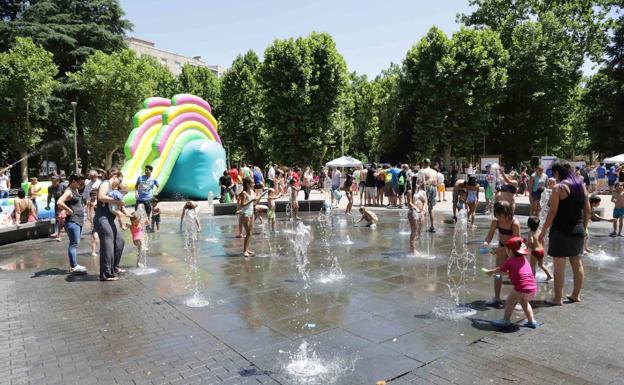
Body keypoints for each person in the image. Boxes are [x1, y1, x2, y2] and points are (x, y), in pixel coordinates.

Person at [539, 161, 590, 305]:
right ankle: (575, 295)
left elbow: (552, 212)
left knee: (559, 266)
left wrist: (542, 232)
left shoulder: (559, 187)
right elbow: (587, 211)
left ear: (557, 173)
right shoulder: (582, 186)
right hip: (578, 230)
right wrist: (584, 228)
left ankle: (557, 298)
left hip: (560, 231)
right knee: (577, 263)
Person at [485, 237, 539, 329]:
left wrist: (491, 272)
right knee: (525, 303)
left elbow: (500, 270)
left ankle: (506, 320)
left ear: (510, 251)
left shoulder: (510, 261)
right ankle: (531, 321)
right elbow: (510, 271)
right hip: (532, 287)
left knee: (510, 301)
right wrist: (499, 273)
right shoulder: (524, 260)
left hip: (521, 287)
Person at [482, 201, 521, 306]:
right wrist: (486, 242)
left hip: (513, 250)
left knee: (515, 275)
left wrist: (502, 249)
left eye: (502, 217)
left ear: (508, 214)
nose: (500, 219)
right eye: (498, 216)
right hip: (502, 247)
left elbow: (517, 244)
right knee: (498, 273)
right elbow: (490, 235)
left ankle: (518, 300)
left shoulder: (515, 224)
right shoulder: (496, 222)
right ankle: (497, 297)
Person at [94, 168, 125, 281]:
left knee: (120, 242)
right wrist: (117, 201)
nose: (119, 183)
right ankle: (105, 274)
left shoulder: (112, 188)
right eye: (119, 180)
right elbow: (101, 197)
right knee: (108, 245)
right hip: (102, 219)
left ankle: (113, 267)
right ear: (115, 176)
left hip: (110, 219)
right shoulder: (105, 183)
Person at [56, 173, 87, 274]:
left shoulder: (75, 189)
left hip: (78, 220)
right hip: (73, 221)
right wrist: (68, 209)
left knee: (75, 243)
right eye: (80, 182)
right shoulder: (69, 191)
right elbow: (59, 202)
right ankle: (74, 266)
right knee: (74, 243)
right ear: (73, 181)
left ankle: (74, 264)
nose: (81, 183)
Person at [527, 217, 553, 281]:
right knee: (541, 265)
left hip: (535, 251)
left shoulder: (530, 233)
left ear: (528, 225)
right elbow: (543, 240)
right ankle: (549, 276)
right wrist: (542, 248)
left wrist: (527, 247)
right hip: (541, 250)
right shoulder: (540, 231)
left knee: (532, 266)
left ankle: (532, 279)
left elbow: (531, 241)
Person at [238, 177, 258, 257]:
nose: (254, 184)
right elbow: (242, 205)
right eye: (252, 183)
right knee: (249, 233)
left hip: (251, 213)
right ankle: (244, 251)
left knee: (250, 233)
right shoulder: (244, 193)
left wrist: (256, 200)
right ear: (247, 184)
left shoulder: (252, 191)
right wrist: (251, 200)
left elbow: (253, 203)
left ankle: (247, 249)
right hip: (245, 214)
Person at [46, 176, 68, 241]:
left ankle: (62, 233)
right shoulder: (50, 188)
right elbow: (49, 196)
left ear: (58, 181)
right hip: (57, 205)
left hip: (65, 204)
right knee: (58, 218)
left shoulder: (63, 186)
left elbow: (69, 195)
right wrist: (48, 205)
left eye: (55, 182)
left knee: (64, 218)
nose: (54, 184)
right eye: (52, 182)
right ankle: (57, 233)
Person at [420, 159, 438, 232]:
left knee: (422, 207)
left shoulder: (422, 171)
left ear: (424, 163)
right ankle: (432, 226)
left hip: (426, 188)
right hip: (434, 188)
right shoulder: (435, 171)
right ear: (430, 164)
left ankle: (420, 227)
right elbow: (436, 183)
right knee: (431, 208)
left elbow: (420, 182)